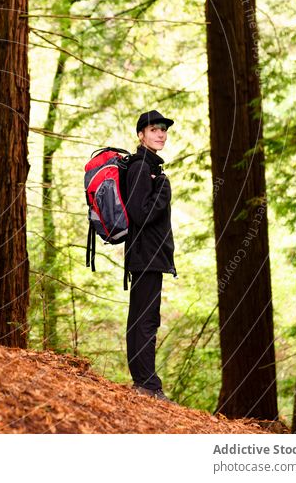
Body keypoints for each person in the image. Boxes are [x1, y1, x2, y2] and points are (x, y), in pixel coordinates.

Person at [123, 109, 177, 403]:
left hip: (147, 255)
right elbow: (139, 213)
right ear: (141, 135)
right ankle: (147, 384)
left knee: (142, 317)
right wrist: (163, 190)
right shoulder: (141, 167)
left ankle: (143, 380)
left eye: (163, 130)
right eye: (154, 130)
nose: (161, 134)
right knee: (146, 320)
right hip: (146, 255)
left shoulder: (148, 166)